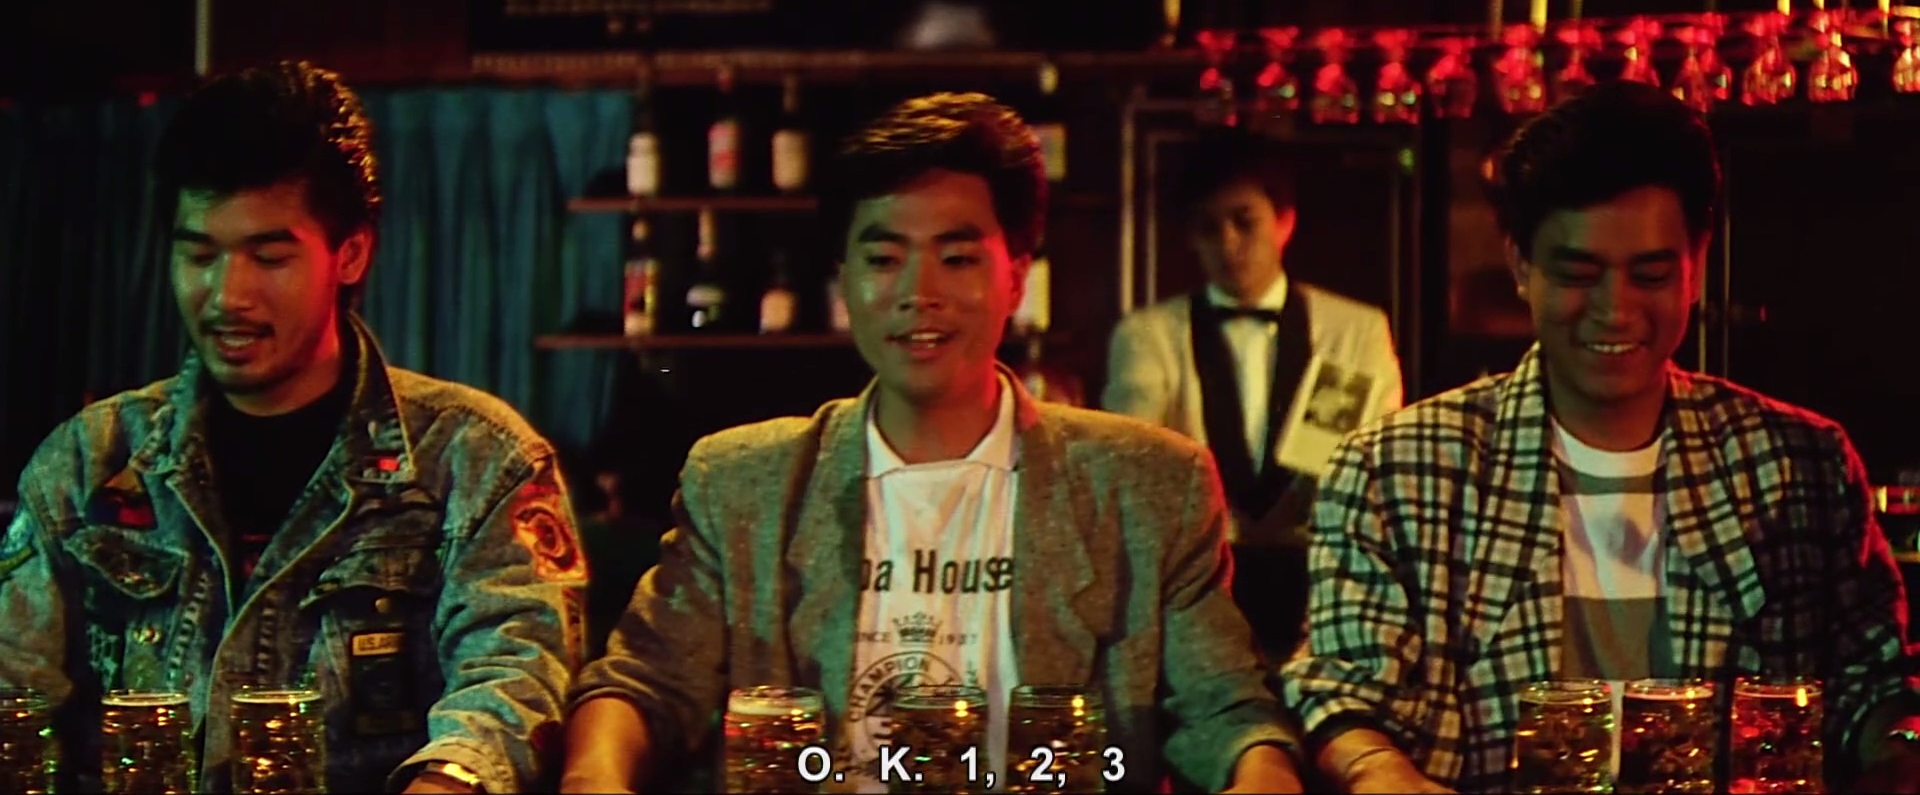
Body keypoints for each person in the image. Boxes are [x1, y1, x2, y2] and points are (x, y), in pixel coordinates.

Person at [561, 92, 1304, 794]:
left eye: (957, 258)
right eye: (884, 260)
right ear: (845, 282)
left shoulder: (1145, 485)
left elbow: (1227, 712)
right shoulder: (744, 485)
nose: (920, 292)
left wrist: (1262, 774)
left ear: (1016, 278)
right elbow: (644, 685)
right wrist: (593, 778)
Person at [1279, 80, 1920, 794]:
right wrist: (1380, 773)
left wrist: (1897, 753)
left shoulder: (1798, 465)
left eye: (1650, 275)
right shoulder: (1395, 470)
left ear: (1696, 266)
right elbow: (1341, 692)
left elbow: (1873, 683)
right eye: (1579, 274)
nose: (1615, 310)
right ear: (1521, 266)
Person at [0, 61, 585, 794]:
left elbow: (513, 681)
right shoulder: (91, 461)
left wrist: (446, 781)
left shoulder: (475, 459)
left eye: (269, 257)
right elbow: (15, 687)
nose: (227, 295)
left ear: (351, 254)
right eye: (199, 255)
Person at [1102, 128, 1404, 662]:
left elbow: (1377, 472)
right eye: (1208, 227)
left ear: (1284, 221)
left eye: (1244, 221)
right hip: (1196, 589)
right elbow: (1133, 469)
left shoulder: (1355, 330)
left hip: (1325, 584)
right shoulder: (1148, 336)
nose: (1228, 244)